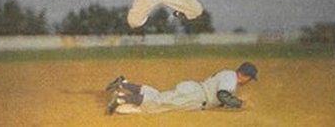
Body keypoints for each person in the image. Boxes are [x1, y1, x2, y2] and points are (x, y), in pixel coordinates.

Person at [104, 62, 258, 115]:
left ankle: (123, 83)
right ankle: (121, 99)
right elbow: (222, 95)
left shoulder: (228, 75)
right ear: (245, 75)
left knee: (157, 96)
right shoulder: (231, 79)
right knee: (157, 103)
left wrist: (236, 101)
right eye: (250, 79)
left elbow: (221, 98)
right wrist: (240, 104)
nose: (249, 81)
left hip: (194, 93)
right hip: (195, 97)